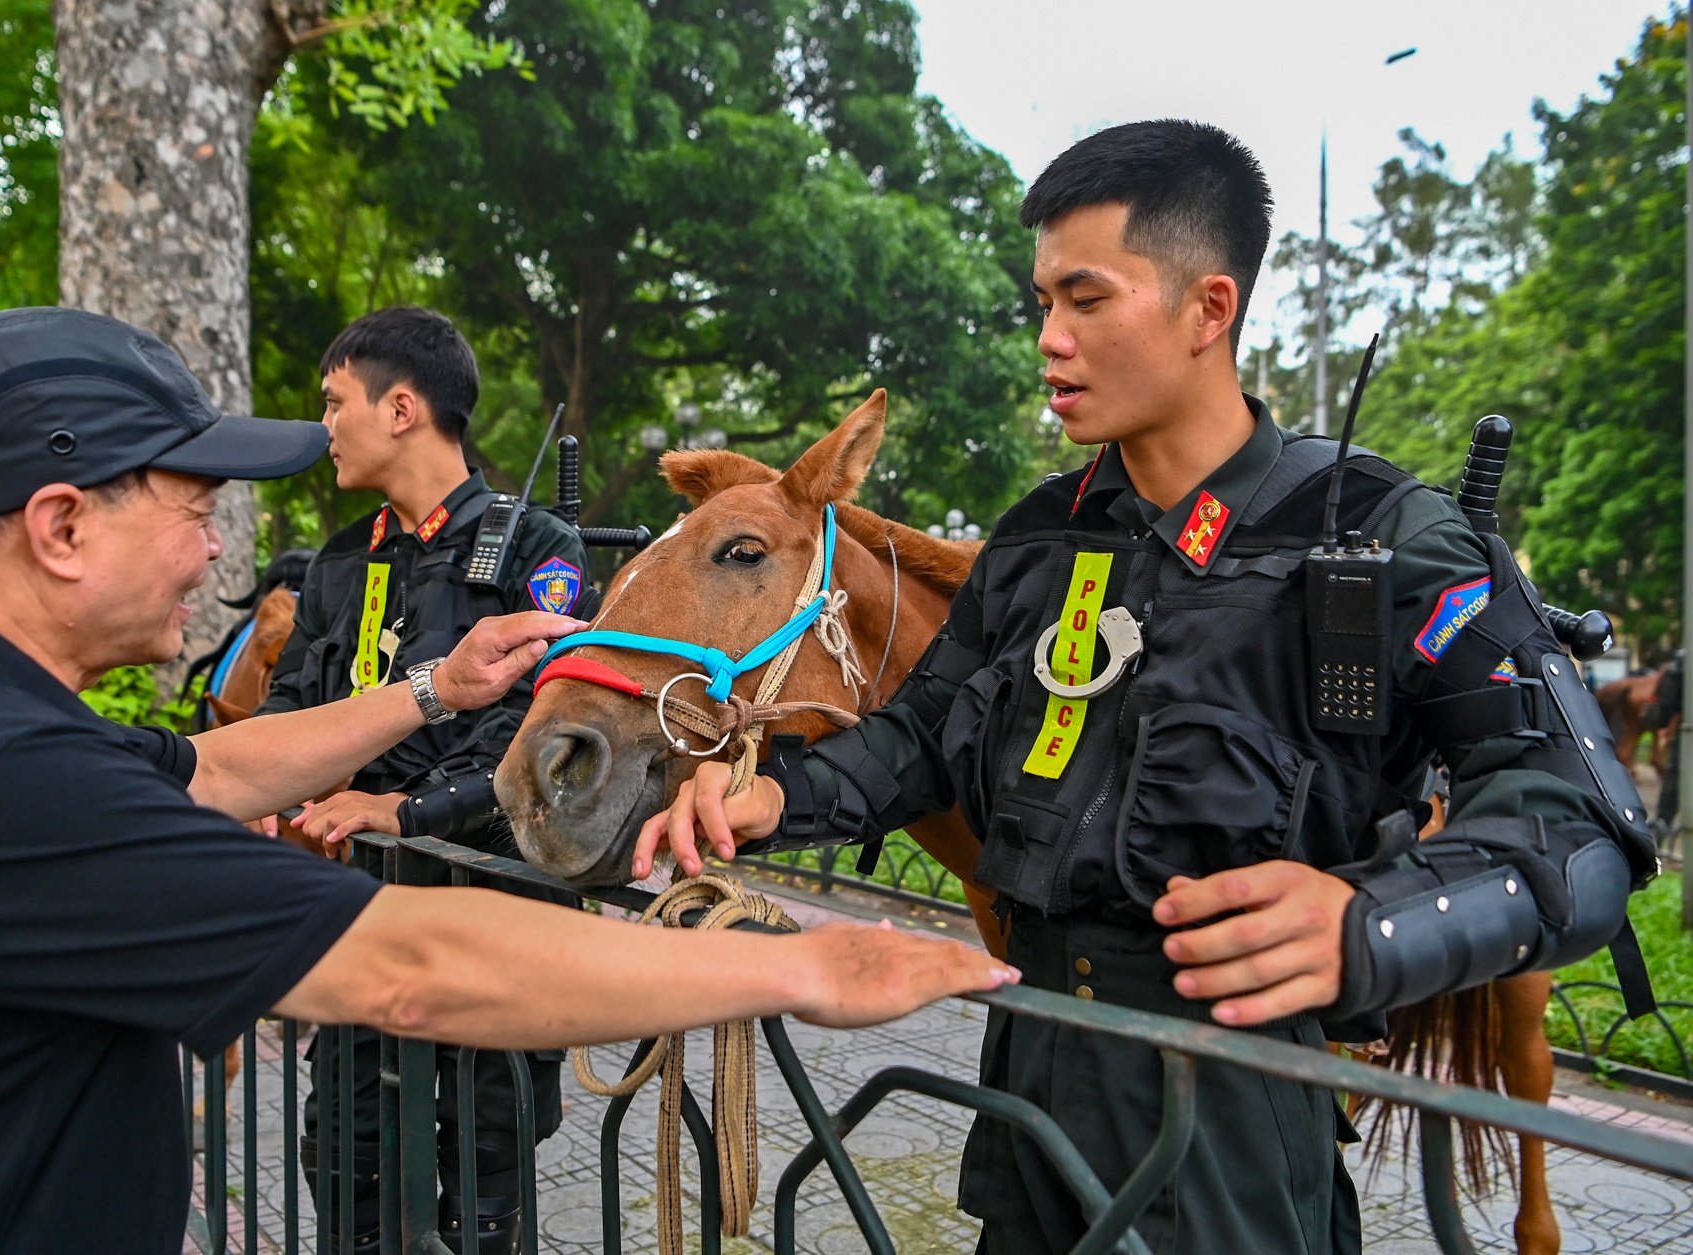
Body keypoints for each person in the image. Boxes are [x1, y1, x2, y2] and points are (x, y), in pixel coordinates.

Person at [0, 307, 1017, 1255]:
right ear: (58, 527)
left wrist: (440, 688)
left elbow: (213, 763)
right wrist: (801, 966)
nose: (217, 546)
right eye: (194, 507)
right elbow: (408, 968)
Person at [634, 121, 1655, 1255]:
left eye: (1085, 299)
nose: (1049, 341)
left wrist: (1377, 923)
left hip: (1229, 1119)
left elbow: (1586, 827)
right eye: (1041, 304)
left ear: (1208, 308)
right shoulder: (1038, 539)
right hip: (1026, 1082)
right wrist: (780, 794)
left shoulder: (1384, 535)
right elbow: (929, 733)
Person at [248, 305, 600, 1254]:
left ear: (401, 407)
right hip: (362, 915)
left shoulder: (536, 552)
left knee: (488, 1178)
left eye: (335, 402)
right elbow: (292, 706)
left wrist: (399, 808)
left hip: (498, 910)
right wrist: (252, 784)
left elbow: (540, 741)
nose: (324, 425)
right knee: (345, 1154)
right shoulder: (339, 560)